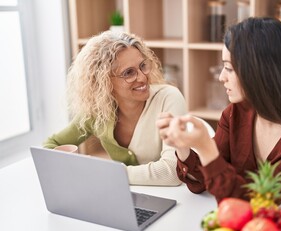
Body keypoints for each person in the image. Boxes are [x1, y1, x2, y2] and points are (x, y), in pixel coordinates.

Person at [157, 17, 281, 208]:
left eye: (229, 68)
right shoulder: (235, 114)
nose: (222, 77)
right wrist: (182, 147)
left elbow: (254, 205)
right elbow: (205, 181)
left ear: (261, 73)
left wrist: (206, 146)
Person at [43, 31, 187, 186]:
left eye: (142, 66)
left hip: (173, 200)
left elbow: (172, 172)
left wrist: (106, 173)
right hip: (127, 197)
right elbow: (52, 144)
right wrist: (73, 167)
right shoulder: (98, 111)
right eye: (129, 73)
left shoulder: (168, 98)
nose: (142, 77)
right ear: (103, 81)